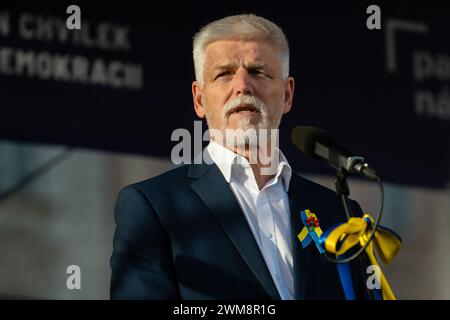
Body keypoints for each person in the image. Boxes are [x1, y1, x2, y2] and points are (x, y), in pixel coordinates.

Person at [110, 14, 367, 300]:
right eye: (224, 74)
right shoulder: (154, 208)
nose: (243, 85)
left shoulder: (341, 214)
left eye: (258, 71)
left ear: (286, 95)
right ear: (199, 100)